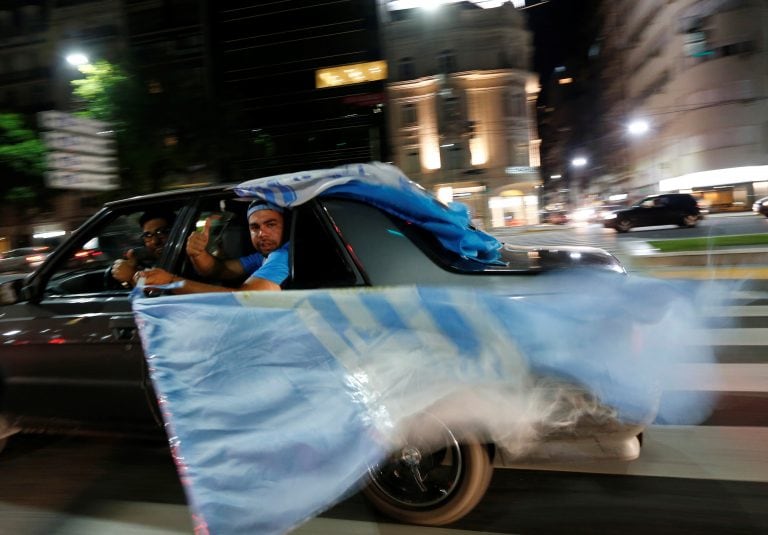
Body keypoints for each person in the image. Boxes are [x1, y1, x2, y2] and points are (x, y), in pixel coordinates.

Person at [139, 199, 290, 293]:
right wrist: (198, 254)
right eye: (255, 227)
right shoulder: (262, 256)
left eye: (271, 225)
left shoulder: (284, 255)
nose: (262, 233)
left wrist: (170, 282)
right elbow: (220, 270)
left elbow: (244, 299)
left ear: (287, 226)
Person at [111, 209, 176, 288]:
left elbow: (162, 295)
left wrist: (132, 276)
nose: (155, 241)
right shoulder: (158, 263)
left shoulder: (186, 263)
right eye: (148, 235)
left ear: (176, 231)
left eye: (162, 232)